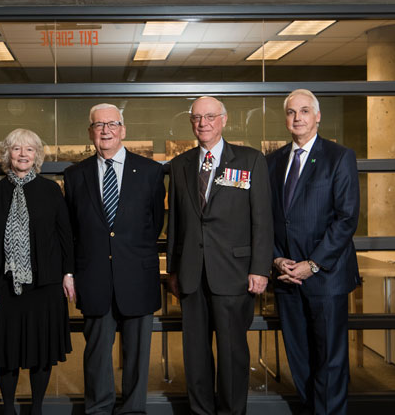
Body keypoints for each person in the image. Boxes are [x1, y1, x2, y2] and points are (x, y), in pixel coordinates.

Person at [166, 96, 272, 415]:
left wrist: (260, 268)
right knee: (195, 357)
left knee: (231, 355)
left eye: (210, 116)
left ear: (224, 120)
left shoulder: (251, 160)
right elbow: (175, 223)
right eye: (197, 118)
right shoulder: (180, 164)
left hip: (234, 274)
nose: (203, 123)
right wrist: (173, 269)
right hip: (191, 275)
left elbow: (262, 220)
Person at [63, 103, 165, 415]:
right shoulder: (74, 174)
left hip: (137, 275)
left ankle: (134, 409)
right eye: (98, 125)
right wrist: (69, 273)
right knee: (96, 353)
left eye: (112, 124)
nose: (105, 130)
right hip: (93, 277)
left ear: (123, 130)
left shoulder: (149, 171)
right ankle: (98, 408)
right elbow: (71, 230)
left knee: (136, 354)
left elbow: (155, 221)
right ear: (90, 132)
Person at [266, 89, 360, 415]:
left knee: (330, 359)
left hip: (325, 277)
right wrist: (277, 259)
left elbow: (347, 219)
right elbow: (269, 219)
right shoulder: (273, 162)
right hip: (287, 277)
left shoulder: (339, 157)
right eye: (292, 112)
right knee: (300, 355)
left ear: (317, 116)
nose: (297, 118)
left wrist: (313, 263)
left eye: (305, 111)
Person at [0, 128, 75, 415]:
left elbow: (65, 237)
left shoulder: (51, 191)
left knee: (41, 352)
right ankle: (8, 408)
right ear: (7, 155)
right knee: (6, 353)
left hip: (44, 286)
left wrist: (68, 274)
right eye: (17, 149)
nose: (23, 154)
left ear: (37, 155)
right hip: (4, 288)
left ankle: (36, 409)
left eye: (29, 149)